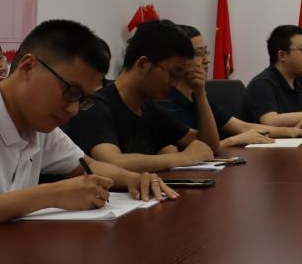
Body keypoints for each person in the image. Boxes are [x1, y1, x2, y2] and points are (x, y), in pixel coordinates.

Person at [0, 20, 178, 223]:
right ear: (28, 67)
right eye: (71, 92)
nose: (74, 110)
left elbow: (87, 165)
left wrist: (134, 179)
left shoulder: (39, 126)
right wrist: (54, 194)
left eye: (83, 100)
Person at [68, 20, 216, 172]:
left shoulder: (149, 107)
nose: (175, 83)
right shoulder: (97, 106)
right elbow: (111, 162)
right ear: (143, 64)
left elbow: (207, 146)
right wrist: (183, 158)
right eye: (172, 73)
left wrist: (200, 95)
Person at [158, 25, 302, 148]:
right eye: (199, 53)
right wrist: (235, 140)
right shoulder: (165, 101)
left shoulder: (198, 96)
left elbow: (243, 127)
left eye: (206, 52)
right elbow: (199, 148)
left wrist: (291, 131)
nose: (207, 60)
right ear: (179, 60)